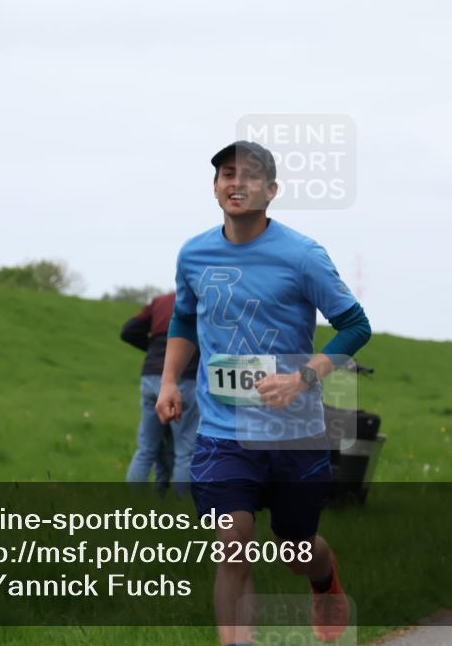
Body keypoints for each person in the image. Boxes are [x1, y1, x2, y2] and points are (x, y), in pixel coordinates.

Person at [155, 141, 371, 645]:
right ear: (215, 187)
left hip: (294, 434)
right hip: (223, 431)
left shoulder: (303, 256)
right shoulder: (194, 253)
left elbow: (355, 326)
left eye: (250, 176)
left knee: (296, 549)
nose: (237, 183)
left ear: (271, 191)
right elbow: (185, 317)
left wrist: (304, 377)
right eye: (226, 174)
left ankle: (324, 581)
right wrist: (170, 381)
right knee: (232, 543)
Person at [121, 291, 200, 494]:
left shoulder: (160, 301)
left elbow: (128, 330)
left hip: (151, 377)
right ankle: (183, 509)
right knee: (185, 451)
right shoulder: (203, 300)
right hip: (185, 378)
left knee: (146, 448)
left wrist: (152, 349)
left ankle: (129, 503)